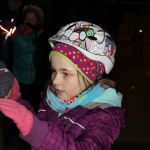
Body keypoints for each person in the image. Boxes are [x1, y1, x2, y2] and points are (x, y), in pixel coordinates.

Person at [0, 21, 125, 150]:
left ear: (90, 76)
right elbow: (39, 124)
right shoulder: (52, 99)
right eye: (54, 71)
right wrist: (14, 99)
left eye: (65, 73)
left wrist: (36, 131)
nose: (55, 81)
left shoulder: (104, 116)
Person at [1, 4, 49, 112]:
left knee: (33, 104)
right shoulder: (18, 31)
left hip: (34, 79)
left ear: (38, 22)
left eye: (32, 19)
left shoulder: (38, 35)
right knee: (19, 104)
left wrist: (15, 35)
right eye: (27, 18)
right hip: (19, 76)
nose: (28, 21)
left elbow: (29, 47)